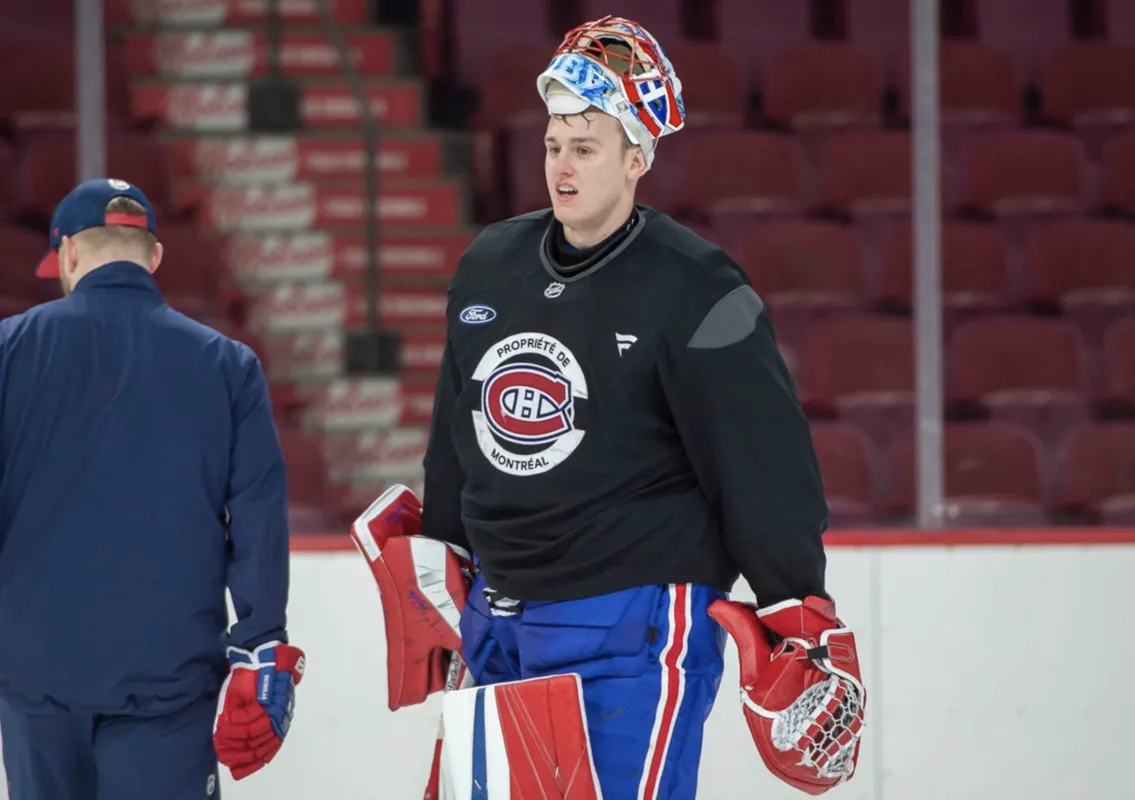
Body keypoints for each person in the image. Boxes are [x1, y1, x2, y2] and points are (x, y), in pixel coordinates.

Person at [360, 15, 865, 799]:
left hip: (634, 627)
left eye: (586, 148)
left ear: (636, 157)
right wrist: (446, 551)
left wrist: (793, 602)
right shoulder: (489, 265)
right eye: (555, 144)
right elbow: (458, 433)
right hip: (501, 623)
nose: (562, 166)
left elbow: (759, 462)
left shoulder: (696, 286)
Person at [0, 179, 304, 799]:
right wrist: (260, 641)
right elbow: (258, 516)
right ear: (155, 257)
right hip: (167, 683)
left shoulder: (8, 351)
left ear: (69, 256)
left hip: (35, 678)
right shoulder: (229, 365)